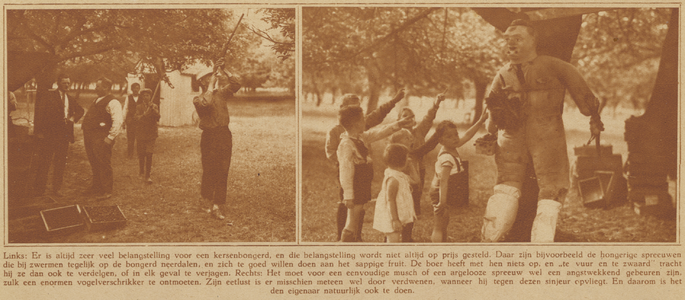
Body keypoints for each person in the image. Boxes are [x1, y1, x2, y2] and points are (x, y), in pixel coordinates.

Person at [480, 19, 604, 243]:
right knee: (512, 188)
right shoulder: (504, 73)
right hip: (516, 136)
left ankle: (521, 243)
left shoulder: (553, 66)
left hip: (543, 135)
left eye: (517, 39)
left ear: (533, 39)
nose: (511, 44)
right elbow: (491, 112)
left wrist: (594, 117)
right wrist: (490, 131)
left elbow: (584, 100)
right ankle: (502, 242)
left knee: (542, 189)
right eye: (507, 39)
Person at [325, 90, 406, 241]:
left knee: (356, 216)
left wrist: (398, 124)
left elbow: (379, 132)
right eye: (363, 120)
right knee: (351, 220)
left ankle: (353, 238)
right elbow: (345, 171)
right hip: (354, 185)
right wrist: (348, 194)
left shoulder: (360, 137)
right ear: (356, 124)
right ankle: (345, 243)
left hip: (362, 183)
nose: (366, 122)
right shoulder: (346, 144)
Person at [391, 93, 445, 241]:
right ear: (399, 119)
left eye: (410, 116)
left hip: (418, 167)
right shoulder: (396, 134)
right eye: (404, 116)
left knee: (416, 193)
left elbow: (428, 119)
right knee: (402, 198)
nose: (407, 119)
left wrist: (436, 103)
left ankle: (410, 224)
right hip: (402, 170)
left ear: (414, 120)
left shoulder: (419, 131)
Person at [193, 58, 241, 222]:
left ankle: (217, 205)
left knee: (223, 170)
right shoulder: (198, 99)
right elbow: (206, 103)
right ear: (202, 81)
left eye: (213, 74)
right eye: (209, 76)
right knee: (209, 169)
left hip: (224, 134)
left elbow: (236, 85)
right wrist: (211, 85)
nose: (214, 76)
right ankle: (205, 200)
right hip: (209, 136)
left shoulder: (222, 93)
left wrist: (225, 71)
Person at [429, 115, 487, 243]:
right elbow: (443, 181)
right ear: (441, 141)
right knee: (439, 225)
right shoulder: (446, 158)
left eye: (455, 134)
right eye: (449, 136)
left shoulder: (452, 147)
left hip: (445, 192)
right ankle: (436, 248)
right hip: (440, 193)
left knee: (445, 220)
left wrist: (480, 120)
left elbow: (467, 135)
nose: (455, 138)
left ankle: (443, 243)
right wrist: (442, 202)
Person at [32, 73, 84, 197]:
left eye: (68, 83)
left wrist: (72, 118)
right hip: (49, 135)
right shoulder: (49, 96)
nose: (67, 85)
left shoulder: (70, 98)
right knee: (45, 161)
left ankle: (57, 188)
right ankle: (39, 189)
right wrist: (39, 132)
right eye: (64, 83)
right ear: (59, 83)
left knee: (60, 162)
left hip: (64, 136)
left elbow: (81, 110)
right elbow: (40, 114)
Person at [82, 77, 123, 200]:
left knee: (103, 163)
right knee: (94, 162)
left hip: (102, 137)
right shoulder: (97, 99)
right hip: (91, 136)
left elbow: (118, 121)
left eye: (98, 86)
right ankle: (96, 187)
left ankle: (107, 190)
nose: (95, 88)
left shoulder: (113, 102)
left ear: (106, 87)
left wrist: (110, 137)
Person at [373, 144, 418, 243]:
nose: (409, 159)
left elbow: (416, 181)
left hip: (399, 213)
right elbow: (390, 200)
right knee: (393, 240)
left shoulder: (401, 175)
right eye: (407, 158)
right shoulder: (393, 179)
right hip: (391, 215)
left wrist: (411, 166)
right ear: (401, 160)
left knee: (396, 239)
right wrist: (394, 220)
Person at [133, 88, 159, 183]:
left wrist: (153, 110)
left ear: (150, 96)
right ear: (142, 97)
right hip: (141, 133)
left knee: (149, 153)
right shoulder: (139, 107)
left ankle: (148, 176)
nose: (146, 97)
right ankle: (141, 172)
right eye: (144, 95)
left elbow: (158, 117)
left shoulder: (154, 106)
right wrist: (145, 114)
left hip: (151, 134)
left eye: (147, 95)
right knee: (141, 154)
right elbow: (136, 118)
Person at [123, 83, 141, 158]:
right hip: (130, 120)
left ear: (139, 89)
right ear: (132, 89)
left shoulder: (141, 97)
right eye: (134, 88)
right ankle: (130, 154)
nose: (136, 90)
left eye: (137, 88)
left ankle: (140, 154)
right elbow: (125, 108)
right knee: (130, 138)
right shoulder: (128, 98)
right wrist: (123, 119)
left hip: (139, 121)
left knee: (140, 138)